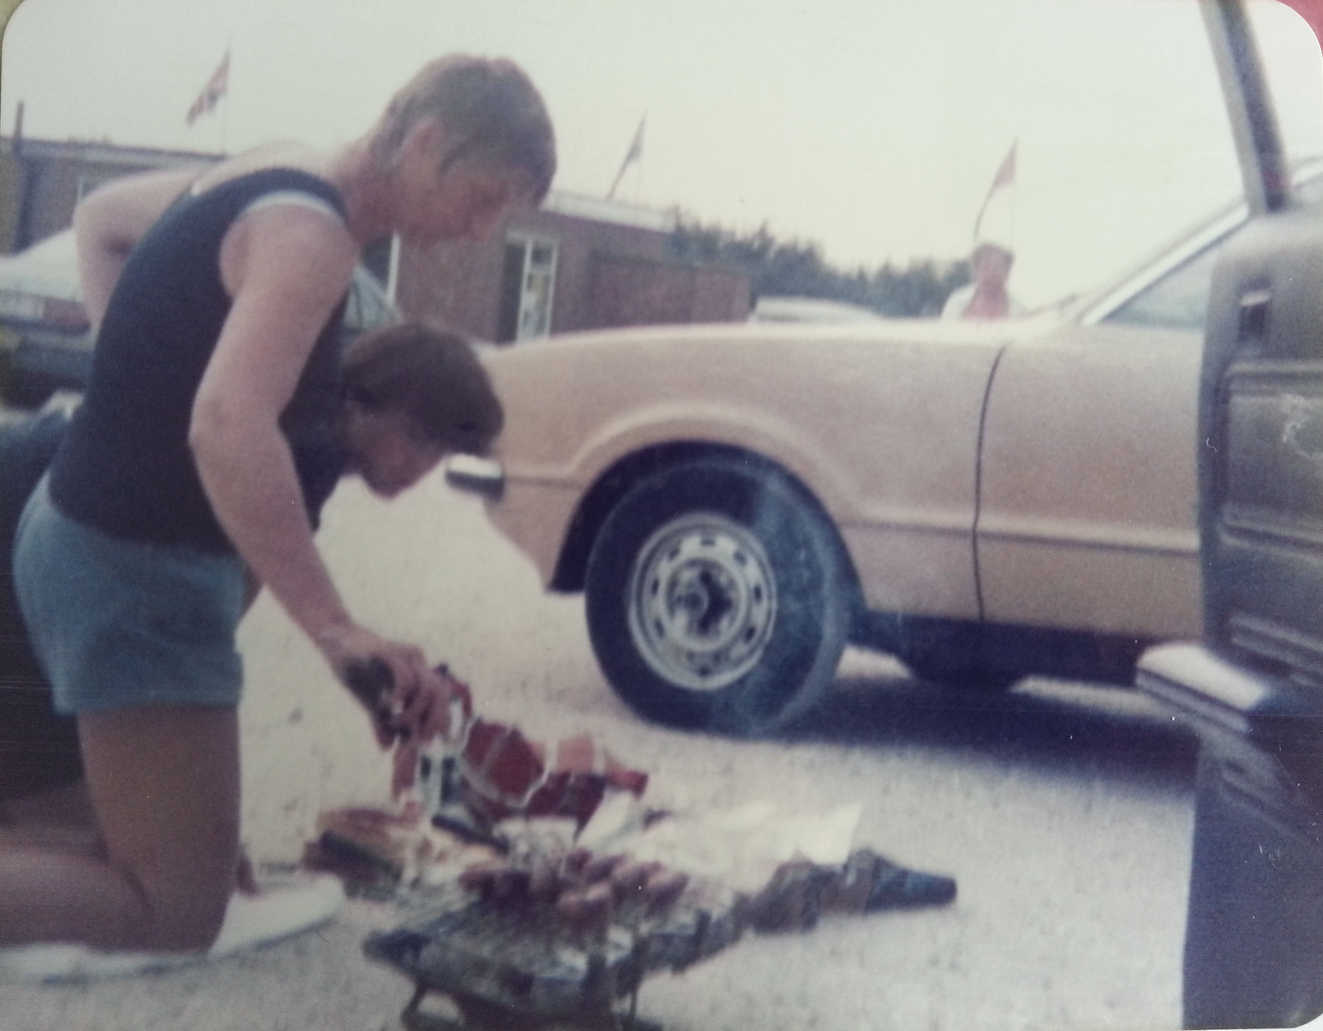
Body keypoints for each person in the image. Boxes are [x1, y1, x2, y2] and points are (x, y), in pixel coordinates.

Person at [0, 53, 555, 957]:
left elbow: (103, 223)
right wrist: (337, 628)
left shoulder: (269, 169)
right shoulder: (314, 237)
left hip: (73, 531)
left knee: (145, 846)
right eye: (485, 199)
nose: (484, 230)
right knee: (176, 907)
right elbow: (226, 424)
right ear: (426, 142)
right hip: (129, 563)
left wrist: (131, 386)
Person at [940, 237, 1025, 320]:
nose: (990, 274)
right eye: (985, 267)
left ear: (1007, 272)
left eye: (996, 268)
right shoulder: (956, 303)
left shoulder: (1020, 312)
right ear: (976, 270)